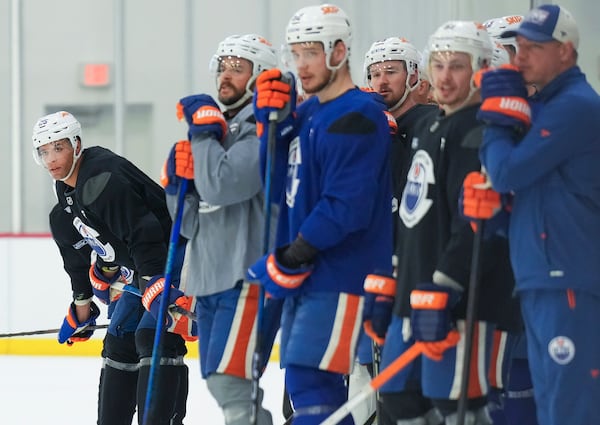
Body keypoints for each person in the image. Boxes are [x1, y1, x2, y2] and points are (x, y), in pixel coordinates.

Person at [245, 4, 393, 424]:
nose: (301, 64)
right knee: (312, 396)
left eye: (311, 52)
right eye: (296, 53)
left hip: (342, 275)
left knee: (313, 392)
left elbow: (346, 205)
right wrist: (269, 128)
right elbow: (276, 187)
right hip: (309, 277)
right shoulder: (307, 114)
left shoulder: (357, 114)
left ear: (339, 51)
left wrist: (292, 255)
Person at [373, 21, 521, 425]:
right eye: (438, 64)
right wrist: (395, 281)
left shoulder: (484, 133)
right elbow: (414, 215)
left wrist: (444, 286)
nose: (444, 75)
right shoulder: (428, 126)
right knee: (400, 397)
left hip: (459, 303)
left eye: (456, 65)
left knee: (458, 408)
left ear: (480, 70)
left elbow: (479, 225)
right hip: (415, 294)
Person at [467, 4, 600, 425]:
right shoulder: (542, 106)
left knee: (569, 408)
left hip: (569, 277)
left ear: (565, 51)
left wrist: (495, 121)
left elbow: (507, 172)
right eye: (518, 47)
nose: (520, 58)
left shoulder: (576, 106)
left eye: (533, 48)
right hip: (541, 276)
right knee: (549, 405)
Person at [33, 110, 194, 425]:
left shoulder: (101, 179)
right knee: (119, 337)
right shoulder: (67, 196)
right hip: (140, 269)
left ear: (77, 145)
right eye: (44, 151)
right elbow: (80, 255)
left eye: (59, 147)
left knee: (153, 334)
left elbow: (143, 232)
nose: (51, 158)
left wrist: (155, 284)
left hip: (177, 256)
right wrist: (82, 304)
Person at [163, 34, 279, 425]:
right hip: (208, 276)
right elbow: (189, 221)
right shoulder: (214, 129)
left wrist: (202, 135)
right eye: (223, 66)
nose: (226, 75)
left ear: (258, 74)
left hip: (244, 275)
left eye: (238, 67)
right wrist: (177, 188)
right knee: (220, 381)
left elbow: (225, 185)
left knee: (233, 383)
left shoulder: (258, 126)